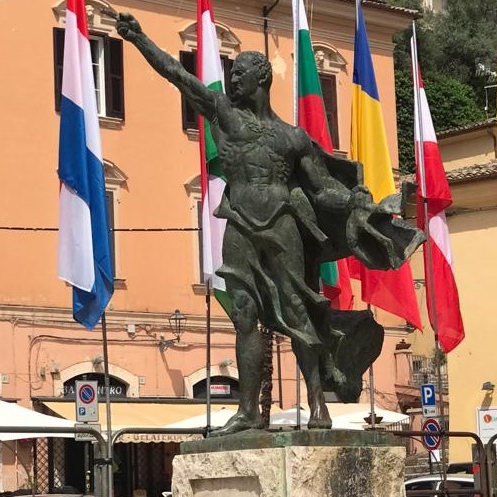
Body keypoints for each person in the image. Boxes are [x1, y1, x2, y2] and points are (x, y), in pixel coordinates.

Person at [116, 13, 423, 436]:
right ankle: (248, 411)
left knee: (299, 311)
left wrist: (357, 201)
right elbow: (178, 75)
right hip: (240, 224)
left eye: (239, 72)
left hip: (282, 225)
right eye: (231, 73)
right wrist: (138, 38)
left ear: (261, 78)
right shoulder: (224, 112)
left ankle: (318, 405)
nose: (232, 78)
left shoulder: (292, 137)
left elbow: (321, 189)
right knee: (244, 314)